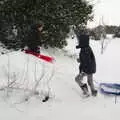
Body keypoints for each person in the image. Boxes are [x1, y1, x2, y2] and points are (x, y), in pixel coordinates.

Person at [75, 31, 97, 97]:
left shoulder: (85, 49)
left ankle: (86, 91)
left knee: (77, 79)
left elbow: (87, 61)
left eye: (79, 40)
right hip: (90, 68)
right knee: (90, 81)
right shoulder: (85, 47)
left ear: (83, 41)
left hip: (87, 69)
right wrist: (80, 60)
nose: (78, 41)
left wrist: (83, 71)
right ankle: (93, 92)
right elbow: (86, 59)